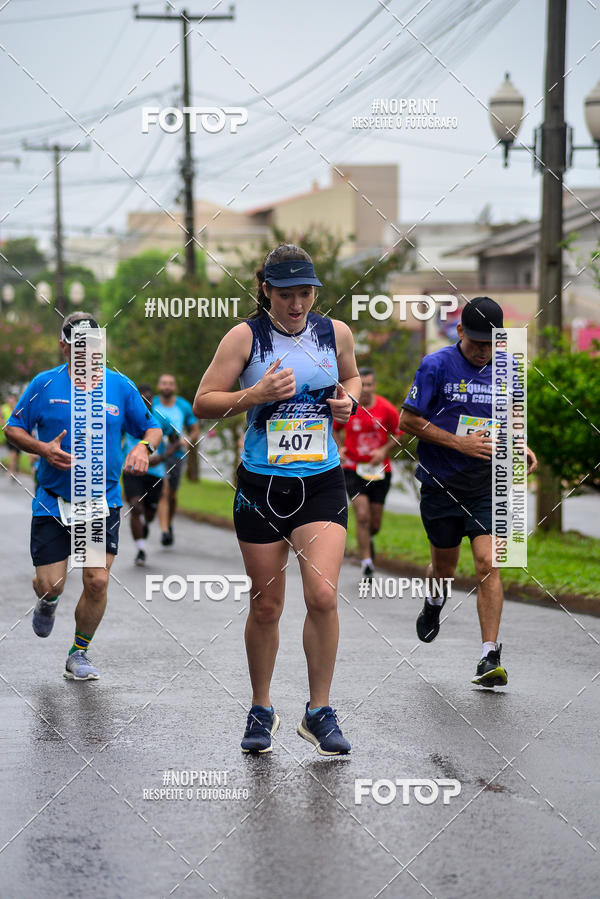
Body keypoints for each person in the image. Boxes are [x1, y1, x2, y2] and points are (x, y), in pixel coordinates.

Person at [193, 244, 361, 756]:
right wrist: (255, 395)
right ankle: (261, 707)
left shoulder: (335, 333)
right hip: (262, 485)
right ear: (265, 289)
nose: (297, 304)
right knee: (267, 605)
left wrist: (347, 401)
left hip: (321, 481)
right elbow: (204, 402)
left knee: (323, 596)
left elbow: (351, 377)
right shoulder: (245, 337)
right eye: (286, 294)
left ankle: (319, 710)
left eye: (306, 293)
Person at [5, 312, 162, 680]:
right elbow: (13, 428)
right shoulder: (44, 384)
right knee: (51, 584)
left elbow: (152, 427)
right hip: (53, 501)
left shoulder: (120, 385)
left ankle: (79, 652)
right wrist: (43, 449)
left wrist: (143, 449)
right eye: (78, 347)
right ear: (64, 347)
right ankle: (47, 602)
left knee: (97, 580)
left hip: (99, 501)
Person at [399, 297, 537, 687]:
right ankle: (434, 602)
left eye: (491, 344)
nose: (483, 351)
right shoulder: (436, 366)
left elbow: (510, 419)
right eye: (477, 342)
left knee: (486, 564)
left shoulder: (510, 368)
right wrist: (458, 444)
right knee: (444, 567)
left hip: (486, 484)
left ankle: (489, 656)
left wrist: (519, 445)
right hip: (441, 483)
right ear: (460, 332)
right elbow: (407, 420)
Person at [333, 367, 402, 580]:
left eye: (370, 385)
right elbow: (334, 428)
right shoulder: (349, 406)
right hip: (353, 468)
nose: (366, 389)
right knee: (362, 515)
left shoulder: (386, 409)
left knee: (374, 523)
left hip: (380, 470)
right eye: (363, 385)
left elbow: (400, 432)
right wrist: (340, 447)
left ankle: (368, 540)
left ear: (375, 386)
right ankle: (366, 563)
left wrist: (383, 450)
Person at [122, 385, 182, 566]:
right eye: (142, 399)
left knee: (149, 513)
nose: (145, 403)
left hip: (155, 473)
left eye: (148, 399)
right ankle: (140, 549)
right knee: (135, 507)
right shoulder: (127, 416)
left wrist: (163, 456)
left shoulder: (161, 418)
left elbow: (175, 441)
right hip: (132, 470)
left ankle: (145, 522)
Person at [152, 374, 199, 547]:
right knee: (163, 491)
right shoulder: (153, 404)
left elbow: (194, 429)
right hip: (157, 454)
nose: (167, 386)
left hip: (176, 454)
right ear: (159, 386)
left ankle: (169, 523)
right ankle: (164, 531)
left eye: (170, 383)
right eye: (164, 383)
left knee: (171, 495)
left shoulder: (183, 405)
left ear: (174, 387)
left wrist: (187, 440)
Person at [1, 393, 21, 481]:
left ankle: (15, 469)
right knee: (13, 453)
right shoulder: (3, 408)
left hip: (19, 435)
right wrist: (5, 424)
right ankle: (12, 472)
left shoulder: (19, 408)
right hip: (9, 434)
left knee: (17, 454)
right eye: (9, 400)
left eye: (12, 400)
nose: (11, 401)